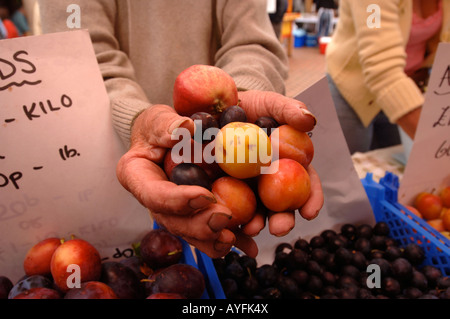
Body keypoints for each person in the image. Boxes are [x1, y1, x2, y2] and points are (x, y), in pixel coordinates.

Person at [37, 0, 324, 259]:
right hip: (118, 151)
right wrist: (137, 119)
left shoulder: (239, 149)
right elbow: (80, 56)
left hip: (204, 160)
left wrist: (241, 99)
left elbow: (253, 41)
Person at [326, 0, 450, 154]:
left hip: (404, 91)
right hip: (352, 91)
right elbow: (382, 67)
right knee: (347, 170)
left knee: (391, 166)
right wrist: (440, 147)